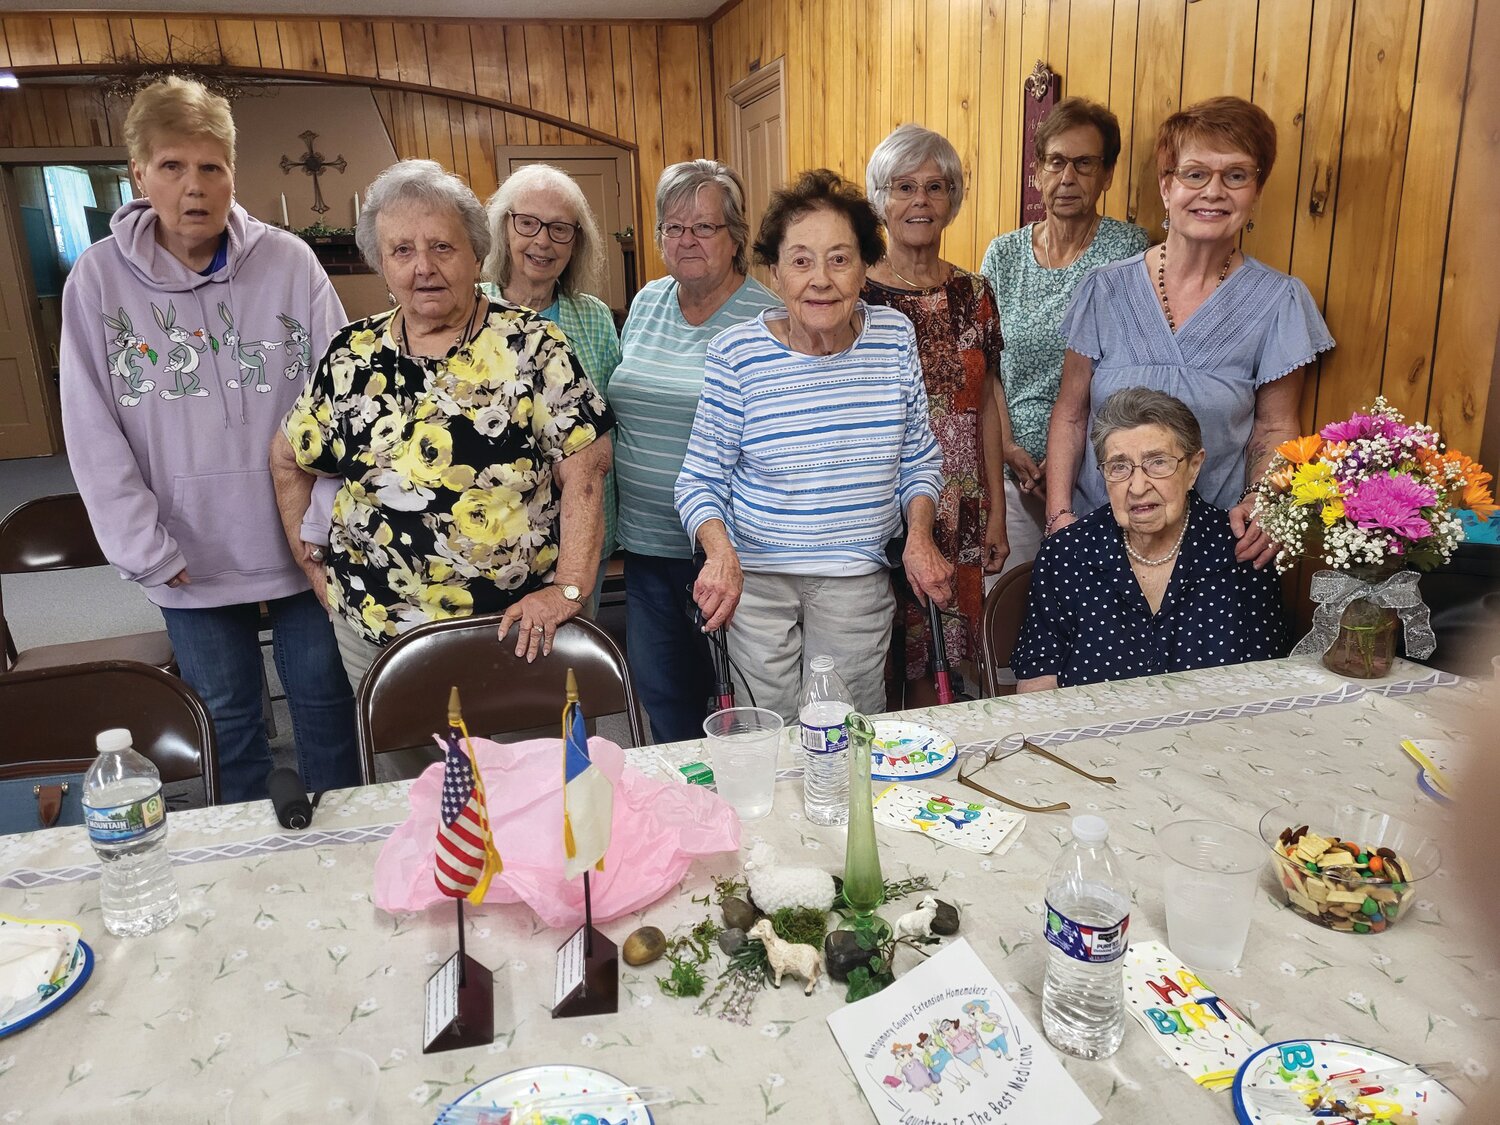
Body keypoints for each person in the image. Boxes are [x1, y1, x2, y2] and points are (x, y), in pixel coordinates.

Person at [60, 76, 358, 804]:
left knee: (325, 703)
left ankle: (346, 851)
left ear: (232, 172)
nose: (194, 187)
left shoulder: (290, 262)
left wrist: (322, 524)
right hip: (186, 552)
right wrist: (145, 547)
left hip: (300, 542)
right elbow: (91, 428)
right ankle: (247, 858)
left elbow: (343, 399)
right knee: (226, 716)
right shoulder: (97, 281)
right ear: (139, 174)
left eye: (211, 167)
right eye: (172, 166)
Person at [270, 159, 614, 688]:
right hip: (378, 630)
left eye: (442, 247)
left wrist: (569, 587)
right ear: (381, 264)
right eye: (401, 250)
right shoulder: (351, 355)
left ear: (477, 253)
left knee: (527, 764)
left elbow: (587, 471)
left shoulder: (534, 347)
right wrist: (313, 566)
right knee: (405, 771)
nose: (422, 266)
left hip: (518, 628)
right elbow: (289, 456)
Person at [675, 169, 951, 721]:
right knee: (766, 726)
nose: (820, 279)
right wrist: (720, 553)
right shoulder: (738, 353)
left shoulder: (894, 337)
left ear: (865, 266)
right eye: (801, 261)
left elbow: (919, 460)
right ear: (775, 273)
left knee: (844, 729)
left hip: (855, 575)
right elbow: (699, 480)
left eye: (839, 258)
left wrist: (919, 535)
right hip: (755, 580)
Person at [1044, 96, 1334, 569]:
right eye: (1195, 174)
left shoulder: (1279, 301)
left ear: (1255, 190)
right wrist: (1059, 516)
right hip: (1097, 538)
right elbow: (1072, 415)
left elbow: (1276, 426)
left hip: (1217, 545)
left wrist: (1264, 500)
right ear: (1166, 186)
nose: (1214, 192)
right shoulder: (1104, 288)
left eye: (1236, 176)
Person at [608, 161, 775, 742]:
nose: (686, 241)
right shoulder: (649, 301)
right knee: (664, 698)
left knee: (737, 699)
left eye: (703, 228)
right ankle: (684, 815)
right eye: (672, 228)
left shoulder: (768, 316)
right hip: (648, 548)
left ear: (735, 238)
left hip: (730, 552)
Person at [861, 124, 1008, 698]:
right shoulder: (857, 298)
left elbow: (985, 408)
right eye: (903, 187)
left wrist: (995, 511)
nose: (920, 201)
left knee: (942, 668)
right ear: (881, 199)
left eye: (935, 187)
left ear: (952, 200)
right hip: (882, 497)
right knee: (876, 655)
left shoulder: (976, 293)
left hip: (962, 502)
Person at [1014, 388, 1287, 691]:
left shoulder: (1242, 550)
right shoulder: (1066, 554)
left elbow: (1265, 683)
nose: (1138, 486)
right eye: (1119, 466)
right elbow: (1038, 680)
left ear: (1193, 467)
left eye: (1157, 462)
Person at [979, 98, 1148, 573]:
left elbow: (1122, 369)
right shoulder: (1004, 254)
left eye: (1084, 163)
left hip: (1091, 473)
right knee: (1006, 604)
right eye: (1056, 162)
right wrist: (1009, 447)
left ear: (1107, 174)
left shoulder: (1127, 250)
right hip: (1009, 468)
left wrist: (1062, 468)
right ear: (1037, 171)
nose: (1067, 177)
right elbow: (987, 365)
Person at [480, 164, 621, 616]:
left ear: (576, 241)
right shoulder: (470, 306)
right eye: (528, 223)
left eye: (560, 229)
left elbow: (608, 423)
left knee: (571, 674)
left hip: (581, 536)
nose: (543, 241)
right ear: (504, 227)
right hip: (491, 542)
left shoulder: (593, 317)